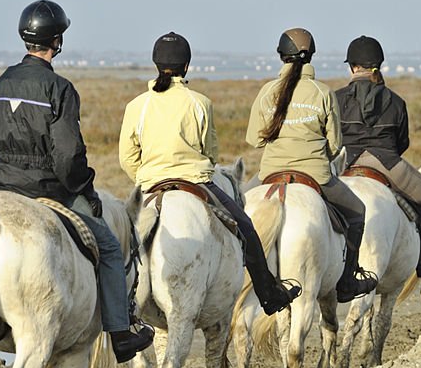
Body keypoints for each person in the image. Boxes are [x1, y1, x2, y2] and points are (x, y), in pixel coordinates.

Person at [0, 0, 153, 363]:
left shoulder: (0, 82)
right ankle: (121, 334)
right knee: (107, 245)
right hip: (44, 187)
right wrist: (84, 185)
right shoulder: (59, 89)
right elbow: (67, 157)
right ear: (56, 41)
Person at [118, 31, 301, 315]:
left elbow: (127, 157)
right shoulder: (199, 103)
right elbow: (211, 153)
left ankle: (117, 311)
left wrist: (146, 179)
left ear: (155, 64)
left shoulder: (136, 106)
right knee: (246, 228)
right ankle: (269, 294)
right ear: (187, 66)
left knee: (119, 240)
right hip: (196, 182)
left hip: (150, 185)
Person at [246, 28, 378, 303]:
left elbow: (254, 140)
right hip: (315, 176)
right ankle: (347, 280)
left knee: (239, 214)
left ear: (281, 56)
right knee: (357, 212)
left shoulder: (266, 91)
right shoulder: (322, 92)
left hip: (270, 174)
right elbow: (334, 146)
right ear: (311, 56)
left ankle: (240, 277)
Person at [335, 36, 421, 277]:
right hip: (385, 162)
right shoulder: (396, 101)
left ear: (353, 67)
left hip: (345, 161)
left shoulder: (336, 98)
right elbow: (402, 143)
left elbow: (330, 138)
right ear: (379, 65)